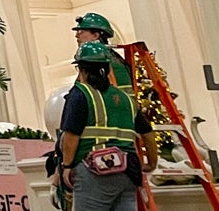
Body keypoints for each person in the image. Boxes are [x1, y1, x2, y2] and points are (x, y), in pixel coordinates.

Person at [57, 42, 157, 211]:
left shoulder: (81, 94)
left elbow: (71, 135)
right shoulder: (126, 99)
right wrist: (152, 163)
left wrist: (66, 166)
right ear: (108, 69)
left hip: (96, 169)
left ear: (82, 70)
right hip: (128, 171)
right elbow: (147, 133)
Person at [71, 13, 134, 93]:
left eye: (81, 31)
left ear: (95, 35)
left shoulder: (97, 61)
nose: (76, 35)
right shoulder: (114, 58)